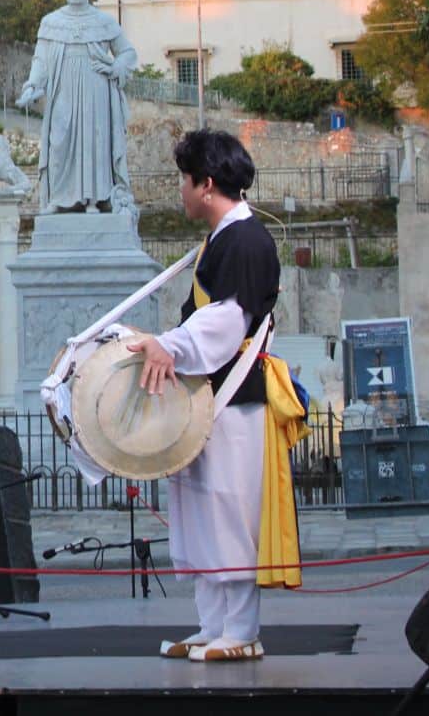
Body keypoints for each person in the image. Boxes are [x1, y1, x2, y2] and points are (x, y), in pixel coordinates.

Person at [128, 129, 289, 663]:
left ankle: (240, 630)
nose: (180, 189)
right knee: (198, 509)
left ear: (207, 183)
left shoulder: (246, 240)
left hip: (235, 398)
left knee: (228, 507)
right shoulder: (222, 238)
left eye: (184, 179)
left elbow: (225, 322)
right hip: (206, 399)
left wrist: (167, 346)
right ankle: (212, 623)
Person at [15, 0, 139, 214]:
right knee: (59, 140)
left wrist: (115, 67)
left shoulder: (102, 21)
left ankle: (93, 200)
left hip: (96, 90)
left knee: (94, 143)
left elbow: (127, 52)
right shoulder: (52, 22)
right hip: (63, 89)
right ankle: (58, 200)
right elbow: (40, 59)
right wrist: (32, 85)